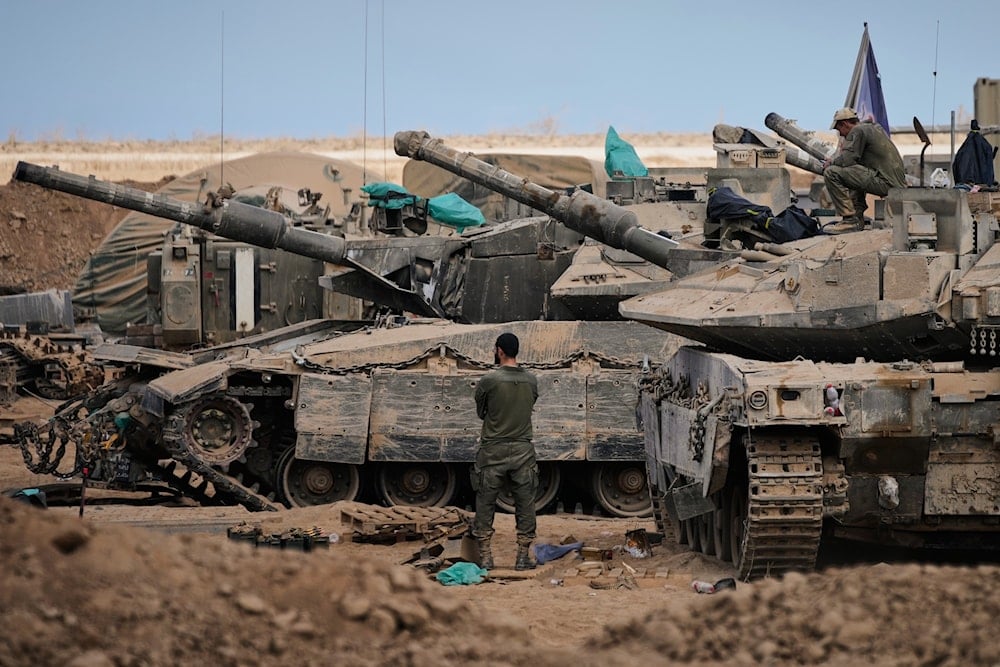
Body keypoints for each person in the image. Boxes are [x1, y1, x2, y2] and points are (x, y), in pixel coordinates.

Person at [471, 332, 539, 571]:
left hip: (493, 451)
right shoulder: (531, 380)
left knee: (485, 502)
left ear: (499, 351)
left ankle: (486, 557)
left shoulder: (489, 380)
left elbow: (481, 412)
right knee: (525, 503)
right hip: (523, 450)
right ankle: (522, 557)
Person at [822, 107, 906, 233]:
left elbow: (847, 160)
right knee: (851, 173)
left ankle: (850, 220)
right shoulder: (872, 128)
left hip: (886, 183)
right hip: (892, 182)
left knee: (831, 172)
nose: (841, 134)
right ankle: (857, 218)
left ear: (844, 124)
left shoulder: (858, 130)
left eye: (839, 129)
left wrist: (830, 163)